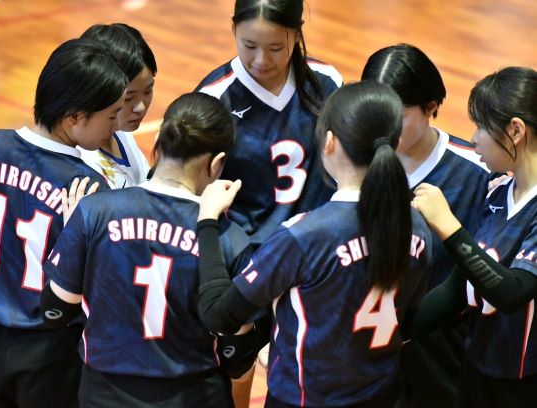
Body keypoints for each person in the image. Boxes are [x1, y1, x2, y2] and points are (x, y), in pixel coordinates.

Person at [195, 81, 433, 407]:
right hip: (382, 395)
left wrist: (207, 222)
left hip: (306, 399)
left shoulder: (304, 237)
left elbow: (219, 314)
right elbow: (405, 319)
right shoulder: (416, 225)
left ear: (330, 142)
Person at [0, 38, 126, 407]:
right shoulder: (87, 188)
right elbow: (102, 291)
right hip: (51, 356)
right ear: (75, 117)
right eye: (111, 115)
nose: (115, 127)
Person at [41, 92, 257, 408]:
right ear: (216, 164)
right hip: (193, 397)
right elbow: (237, 353)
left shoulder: (93, 212)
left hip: (104, 396)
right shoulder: (229, 239)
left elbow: (55, 310)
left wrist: (74, 236)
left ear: (156, 144)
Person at [361, 43, 491, 408]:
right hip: (362, 342)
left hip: (441, 349)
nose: (383, 127)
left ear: (431, 107)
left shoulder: (478, 173)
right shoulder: (351, 159)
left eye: (397, 115)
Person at [410, 66, 537, 408]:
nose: (475, 137)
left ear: (516, 130)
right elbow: (455, 291)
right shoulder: (496, 192)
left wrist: (448, 227)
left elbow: (512, 292)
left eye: (481, 125)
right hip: (475, 369)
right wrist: (388, 329)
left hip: (523, 386)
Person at [196, 0, 343, 247]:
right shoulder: (214, 99)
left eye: (276, 48)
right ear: (234, 29)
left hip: (320, 244)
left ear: (297, 34)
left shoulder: (326, 82)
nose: (261, 60)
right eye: (249, 45)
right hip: (250, 251)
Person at [79, 23, 156, 189]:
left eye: (148, 91)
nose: (140, 108)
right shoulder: (83, 167)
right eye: (129, 98)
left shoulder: (121, 132)